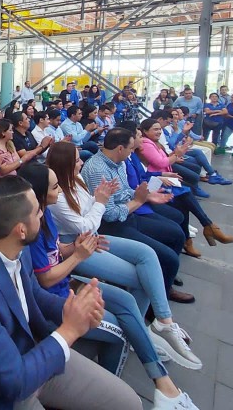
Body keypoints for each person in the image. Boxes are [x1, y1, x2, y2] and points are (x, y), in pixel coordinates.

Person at [0, 176, 142, 410]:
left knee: (129, 403)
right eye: (37, 211)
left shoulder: (12, 244)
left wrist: (70, 310)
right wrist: (69, 330)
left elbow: (33, 293)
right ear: (21, 230)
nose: (43, 214)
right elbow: (15, 382)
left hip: (34, 351)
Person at [19, 163, 200, 410]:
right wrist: (78, 256)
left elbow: (57, 250)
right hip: (58, 300)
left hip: (66, 285)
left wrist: (75, 247)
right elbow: (45, 279)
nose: (59, 190)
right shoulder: (31, 227)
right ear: (39, 194)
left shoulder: (45, 213)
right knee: (122, 332)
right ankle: (112, 394)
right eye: (54, 187)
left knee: (126, 300)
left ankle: (163, 383)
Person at [45, 141, 202, 370]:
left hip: (93, 236)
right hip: (80, 245)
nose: (81, 162)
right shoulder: (58, 196)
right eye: (77, 160)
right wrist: (101, 202)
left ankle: (163, 321)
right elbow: (85, 224)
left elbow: (91, 212)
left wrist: (101, 200)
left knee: (147, 255)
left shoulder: (75, 180)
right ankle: (139, 332)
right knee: (141, 278)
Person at [80, 129, 194, 303]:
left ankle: (165, 280)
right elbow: (109, 214)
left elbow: (125, 191)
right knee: (169, 258)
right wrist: (139, 201)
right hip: (112, 226)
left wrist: (144, 195)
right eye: (130, 148)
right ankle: (158, 299)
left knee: (176, 234)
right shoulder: (97, 169)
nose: (132, 152)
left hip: (128, 215)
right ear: (120, 148)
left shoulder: (118, 163)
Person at [135, 121, 233, 254]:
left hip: (162, 177)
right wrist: (176, 155)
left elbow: (163, 159)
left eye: (159, 129)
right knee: (186, 191)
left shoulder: (154, 143)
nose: (159, 131)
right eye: (155, 129)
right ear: (145, 131)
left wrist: (177, 153)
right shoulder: (146, 144)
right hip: (154, 183)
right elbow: (159, 163)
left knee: (184, 199)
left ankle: (192, 238)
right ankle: (208, 227)